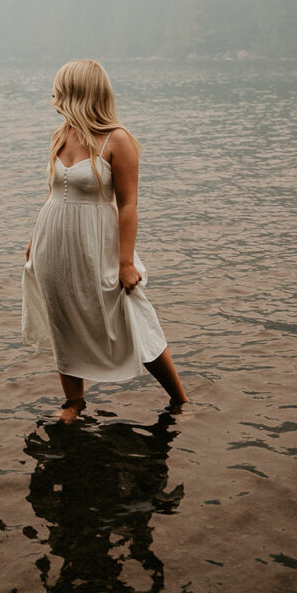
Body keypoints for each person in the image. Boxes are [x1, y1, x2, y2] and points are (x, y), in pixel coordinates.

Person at [22, 59, 188, 422]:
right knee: (62, 317)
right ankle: (74, 403)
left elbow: (128, 205)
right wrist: (35, 239)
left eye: (60, 88)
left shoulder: (118, 139)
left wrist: (126, 262)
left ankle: (180, 400)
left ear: (80, 91)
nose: (54, 95)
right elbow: (53, 194)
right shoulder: (61, 134)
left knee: (134, 314)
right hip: (55, 244)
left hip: (98, 243)